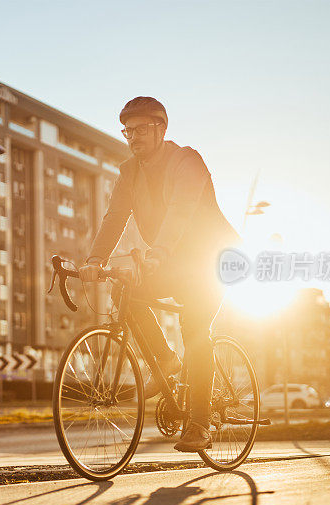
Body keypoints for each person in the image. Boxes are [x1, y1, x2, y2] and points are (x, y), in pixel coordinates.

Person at [78, 96, 241, 452]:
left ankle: (199, 424)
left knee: (195, 330)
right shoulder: (129, 174)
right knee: (126, 289)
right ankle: (166, 360)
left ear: (161, 129)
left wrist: (158, 254)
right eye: (127, 131)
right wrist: (94, 260)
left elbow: (180, 212)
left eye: (140, 129)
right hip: (170, 261)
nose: (133, 137)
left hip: (212, 259)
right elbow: (114, 218)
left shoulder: (187, 161)